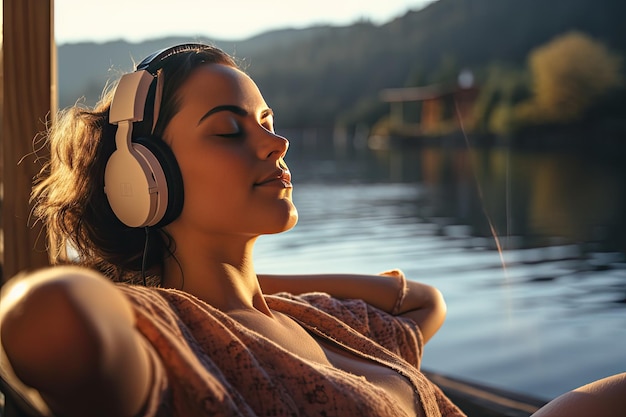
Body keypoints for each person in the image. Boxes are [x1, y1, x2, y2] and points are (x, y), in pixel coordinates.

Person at [0, 43, 623, 417]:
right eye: (229, 129)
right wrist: (183, 283)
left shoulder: (305, 316)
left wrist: (241, 281)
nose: (277, 142)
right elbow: (47, 321)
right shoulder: (166, 328)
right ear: (143, 182)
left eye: (267, 120)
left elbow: (421, 303)